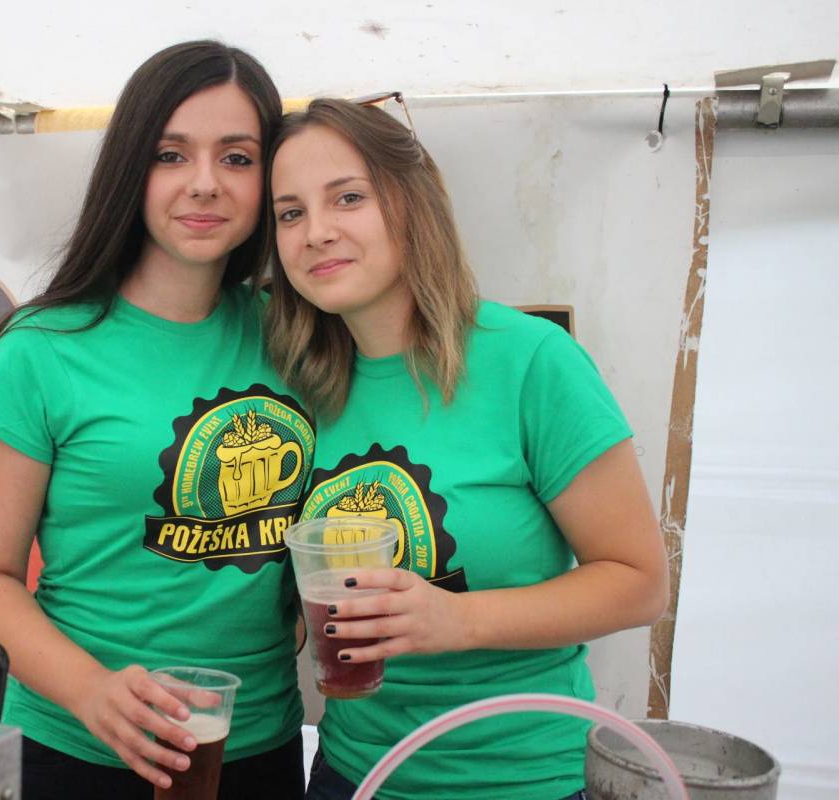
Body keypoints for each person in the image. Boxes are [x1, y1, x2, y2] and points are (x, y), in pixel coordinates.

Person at [265, 98, 670, 800]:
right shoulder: (298, 384)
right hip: (352, 774)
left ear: (413, 202)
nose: (317, 232)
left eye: (349, 197)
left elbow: (639, 583)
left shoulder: (530, 361)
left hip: (521, 780)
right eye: (290, 213)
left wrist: (457, 620)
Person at [0, 41, 315, 800]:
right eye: (170, 155)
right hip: (76, 751)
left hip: (256, 749)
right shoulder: (42, 349)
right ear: (129, 170)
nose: (204, 182)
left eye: (238, 158)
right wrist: (91, 691)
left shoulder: (298, 336)